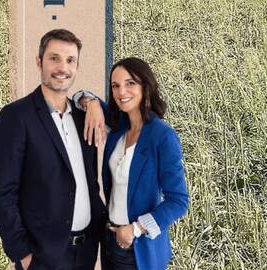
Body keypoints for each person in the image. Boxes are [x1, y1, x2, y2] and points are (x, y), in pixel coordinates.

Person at [0, 28, 107, 270]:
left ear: (76, 67)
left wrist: (91, 99)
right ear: (39, 61)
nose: (62, 67)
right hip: (42, 257)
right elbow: (2, 192)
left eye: (70, 60)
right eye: (54, 58)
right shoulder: (16, 116)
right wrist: (21, 253)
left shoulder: (83, 117)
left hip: (85, 252)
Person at [77, 57, 189, 270]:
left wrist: (136, 229)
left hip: (138, 248)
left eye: (130, 83)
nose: (121, 92)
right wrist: (91, 104)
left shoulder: (162, 136)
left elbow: (179, 201)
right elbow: (79, 97)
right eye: (115, 86)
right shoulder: (118, 129)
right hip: (110, 241)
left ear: (145, 86)